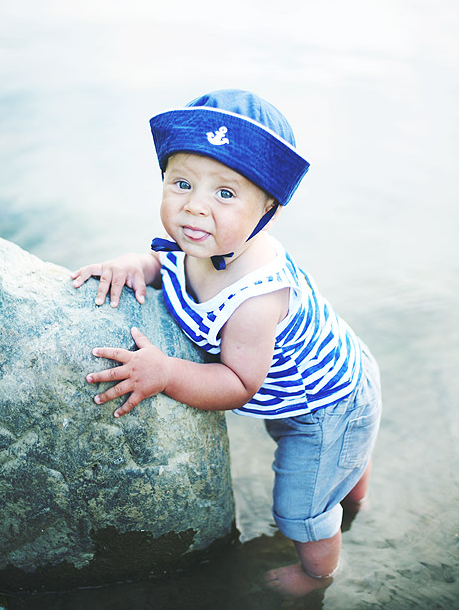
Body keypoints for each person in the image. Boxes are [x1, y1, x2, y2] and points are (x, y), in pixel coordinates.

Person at [70, 89, 382, 598]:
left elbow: (238, 383)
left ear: (268, 212)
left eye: (225, 193)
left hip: (328, 404)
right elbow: (164, 265)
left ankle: (319, 573)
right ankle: (351, 487)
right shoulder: (206, 240)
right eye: (182, 183)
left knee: (301, 506)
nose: (195, 206)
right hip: (327, 378)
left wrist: (166, 373)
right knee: (337, 459)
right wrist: (133, 265)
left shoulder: (256, 296)